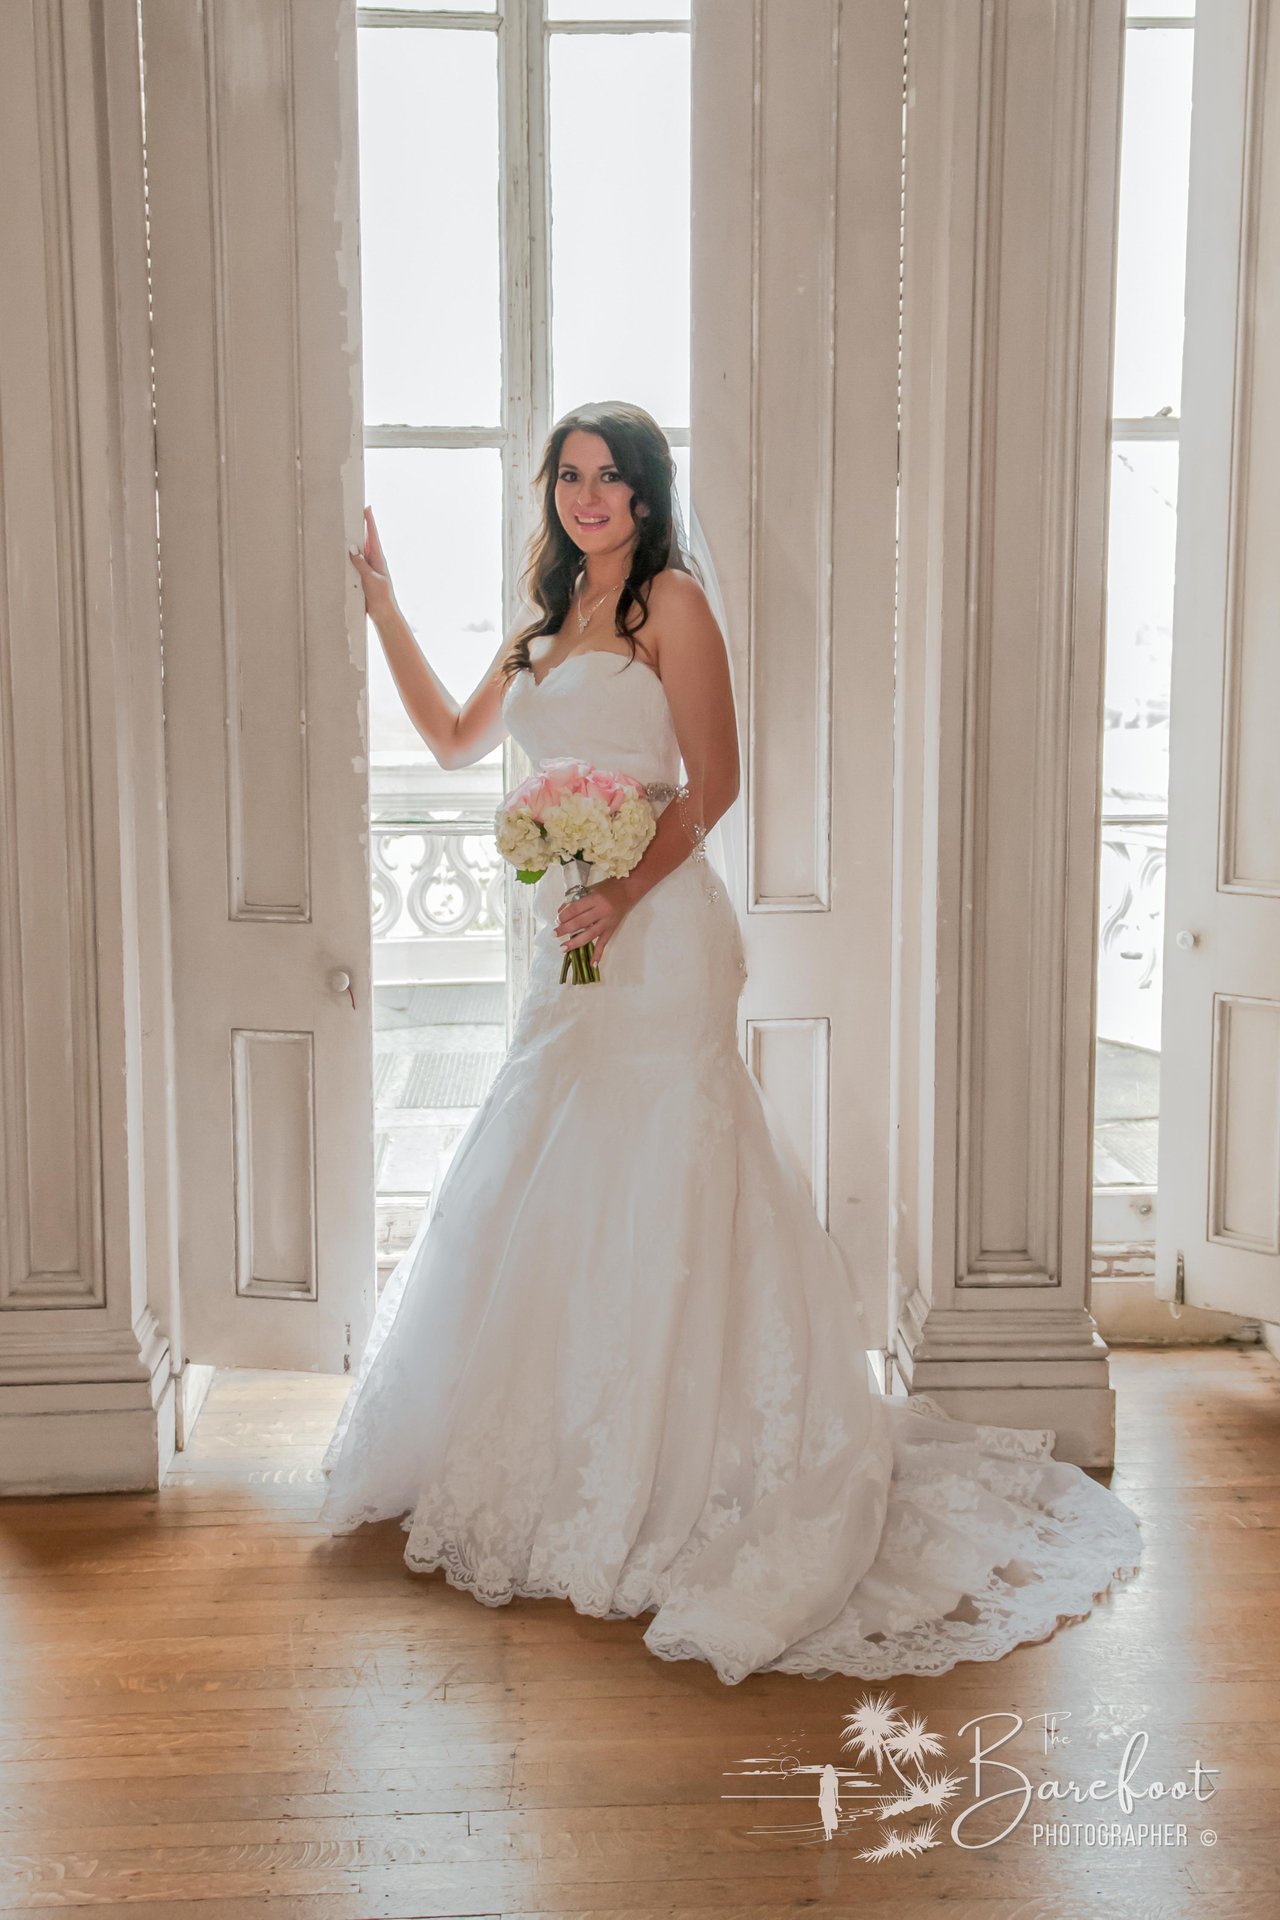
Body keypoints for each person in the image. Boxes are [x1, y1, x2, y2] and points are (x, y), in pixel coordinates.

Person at [326, 399, 1142, 1686]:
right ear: (550, 493)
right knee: (560, 1168)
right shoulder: (545, 630)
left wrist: (617, 888)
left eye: (610, 479)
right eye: (568, 477)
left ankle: (682, 1461)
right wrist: (382, 606)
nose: (586, 497)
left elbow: (712, 782)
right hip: (573, 938)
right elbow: (449, 738)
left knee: (665, 1167)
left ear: (646, 498)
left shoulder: (671, 609)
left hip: (654, 934)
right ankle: (568, 1443)